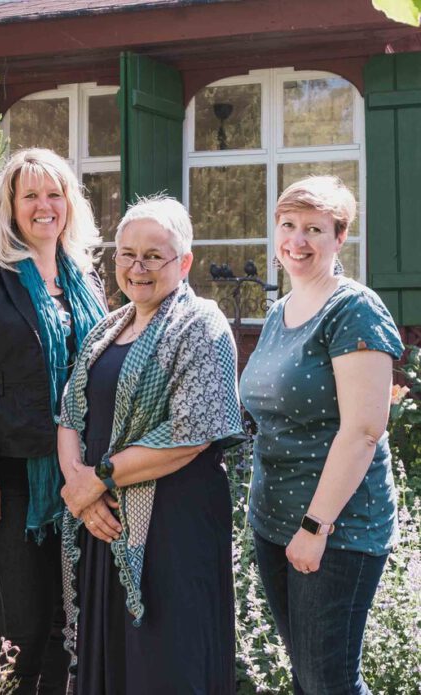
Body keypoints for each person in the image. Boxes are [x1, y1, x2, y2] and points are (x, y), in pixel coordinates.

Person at [58, 196, 244, 694]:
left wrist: (96, 481)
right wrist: (78, 485)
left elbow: (191, 434)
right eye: (125, 254)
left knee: (165, 664)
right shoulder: (107, 328)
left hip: (171, 526)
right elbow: (70, 415)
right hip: (106, 523)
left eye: (153, 256)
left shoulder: (201, 324)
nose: (137, 267)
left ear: (183, 262)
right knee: (113, 661)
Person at [0, 148, 107, 694]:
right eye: (30, 195)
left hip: (82, 477)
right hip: (11, 480)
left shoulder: (84, 276)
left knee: (72, 625)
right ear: (9, 206)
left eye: (54, 194)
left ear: (69, 203)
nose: (44, 206)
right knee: (25, 628)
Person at [239, 176, 404, 694]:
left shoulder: (354, 309)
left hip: (337, 528)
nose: (297, 240)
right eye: (288, 225)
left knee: (328, 682)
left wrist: (315, 527)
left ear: (339, 237)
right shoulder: (276, 314)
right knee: (311, 678)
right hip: (274, 522)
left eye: (314, 228)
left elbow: (362, 429)